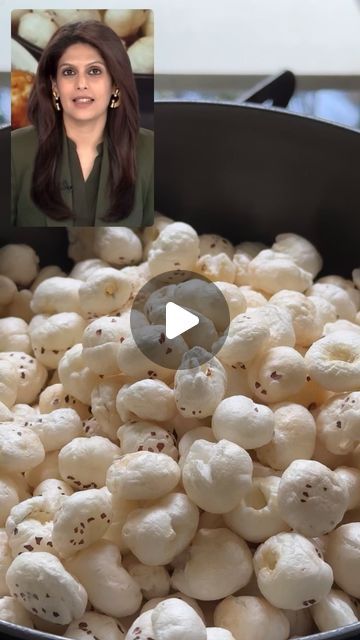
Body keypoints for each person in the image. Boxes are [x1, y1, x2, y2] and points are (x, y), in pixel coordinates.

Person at [11, 20, 154, 227]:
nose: (81, 84)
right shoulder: (14, 151)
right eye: (69, 72)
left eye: (94, 71)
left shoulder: (150, 150)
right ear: (54, 85)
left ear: (115, 83)